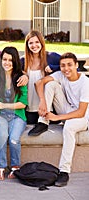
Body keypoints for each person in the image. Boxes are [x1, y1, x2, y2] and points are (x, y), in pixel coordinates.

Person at [34, 52, 89, 187]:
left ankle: (64, 171)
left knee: (69, 127)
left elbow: (81, 112)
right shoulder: (61, 75)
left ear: (76, 65)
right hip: (67, 110)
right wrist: (42, 101)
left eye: (70, 65)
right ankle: (43, 122)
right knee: (50, 85)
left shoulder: (85, 83)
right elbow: (39, 82)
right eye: (63, 66)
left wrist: (57, 117)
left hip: (82, 118)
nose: (66, 69)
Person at [0, 47, 28, 180]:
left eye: (10, 60)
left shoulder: (21, 78)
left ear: (15, 61)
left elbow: (23, 104)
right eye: (4, 59)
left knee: (14, 139)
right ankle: (1, 168)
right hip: (1, 116)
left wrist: (4, 105)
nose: (7, 62)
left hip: (17, 116)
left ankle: (15, 167)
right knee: (2, 135)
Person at [21, 30, 61, 136]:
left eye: (37, 42)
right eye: (31, 43)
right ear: (27, 45)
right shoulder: (23, 61)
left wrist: (53, 67)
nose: (34, 45)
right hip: (30, 110)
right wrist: (22, 75)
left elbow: (70, 66)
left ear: (42, 43)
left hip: (49, 110)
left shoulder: (51, 57)